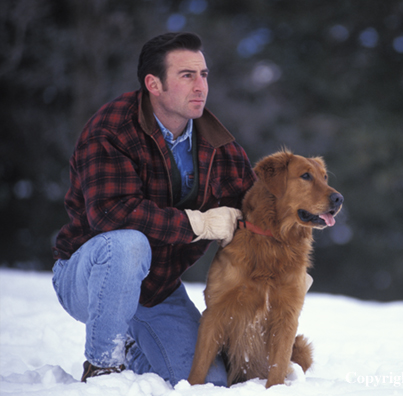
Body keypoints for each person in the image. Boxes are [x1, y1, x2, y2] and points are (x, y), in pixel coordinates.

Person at [51, 32, 256, 386]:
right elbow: (110, 214)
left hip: (158, 286)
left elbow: (255, 209)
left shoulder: (218, 143)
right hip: (90, 274)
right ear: (153, 84)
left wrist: (288, 254)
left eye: (204, 75)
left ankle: (134, 345)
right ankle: (103, 366)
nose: (200, 86)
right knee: (128, 244)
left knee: (207, 382)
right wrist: (198, 224)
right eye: (187, 75)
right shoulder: (111, 128)